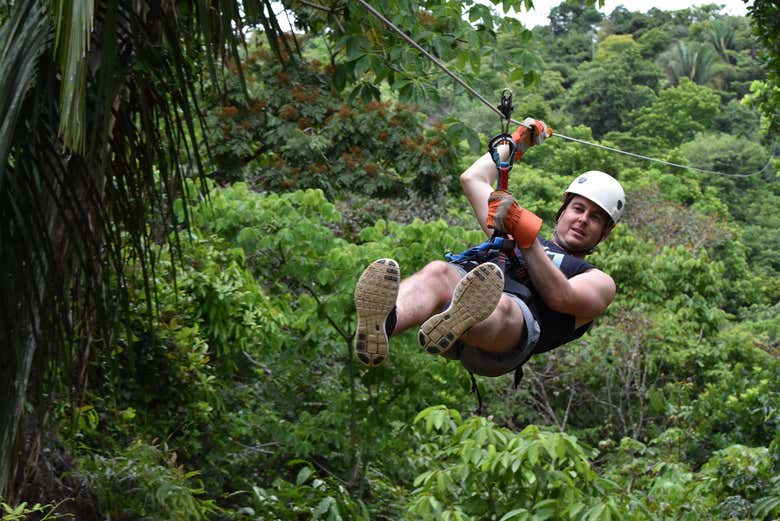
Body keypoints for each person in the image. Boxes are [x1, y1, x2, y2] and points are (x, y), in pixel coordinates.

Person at [352, 118, 625, 379]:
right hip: (458, 307)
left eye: (595, 218)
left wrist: (522, 231)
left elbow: (561, 297)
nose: (583, 220)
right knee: (438, 272)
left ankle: (461, 319)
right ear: (563, 210)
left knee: (501, 304)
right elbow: (473, 179)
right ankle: (386, 323)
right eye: (578, 209)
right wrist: (518, 143)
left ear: (605, 232)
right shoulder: (516, 230)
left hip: (508, 337)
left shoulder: (599, 281)